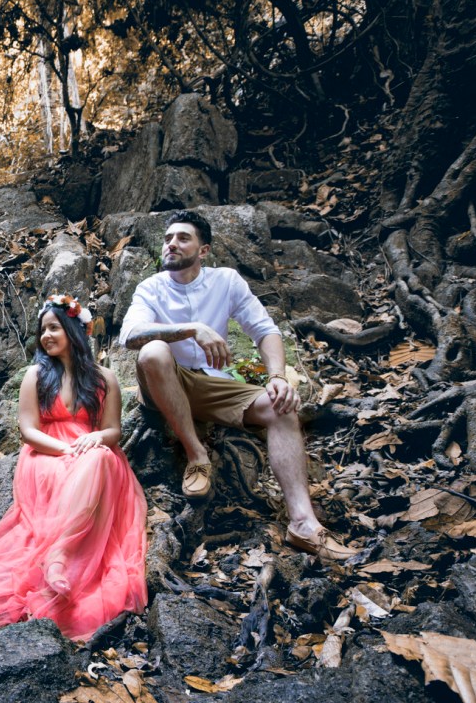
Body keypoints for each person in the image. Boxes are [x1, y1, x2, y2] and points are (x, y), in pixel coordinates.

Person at [119, 209, 357, 560]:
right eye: (168, 238)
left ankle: (303, 525)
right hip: (165, 383)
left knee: (282, 409)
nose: (172, 243)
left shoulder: (226, 281)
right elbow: (130, 336)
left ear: (204, 250)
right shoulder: (150, 288)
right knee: (153, 351)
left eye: (183, 238)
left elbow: (265, 330)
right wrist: (189, 329)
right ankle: (197, 456)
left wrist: (276, 376)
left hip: (214, 385)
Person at [0, 295, 148, 641]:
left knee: (98, 459)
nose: (46, 336)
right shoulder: (36, 375)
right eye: (43, 330)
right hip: (47, 455)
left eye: (54, 328)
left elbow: (113, 430)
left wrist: (94, 440)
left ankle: (61, 554)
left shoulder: (104, 377)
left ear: (75, 330)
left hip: (92, 453)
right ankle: (55, 560)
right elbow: (28, 431)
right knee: (85, 463)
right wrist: (66, 449)